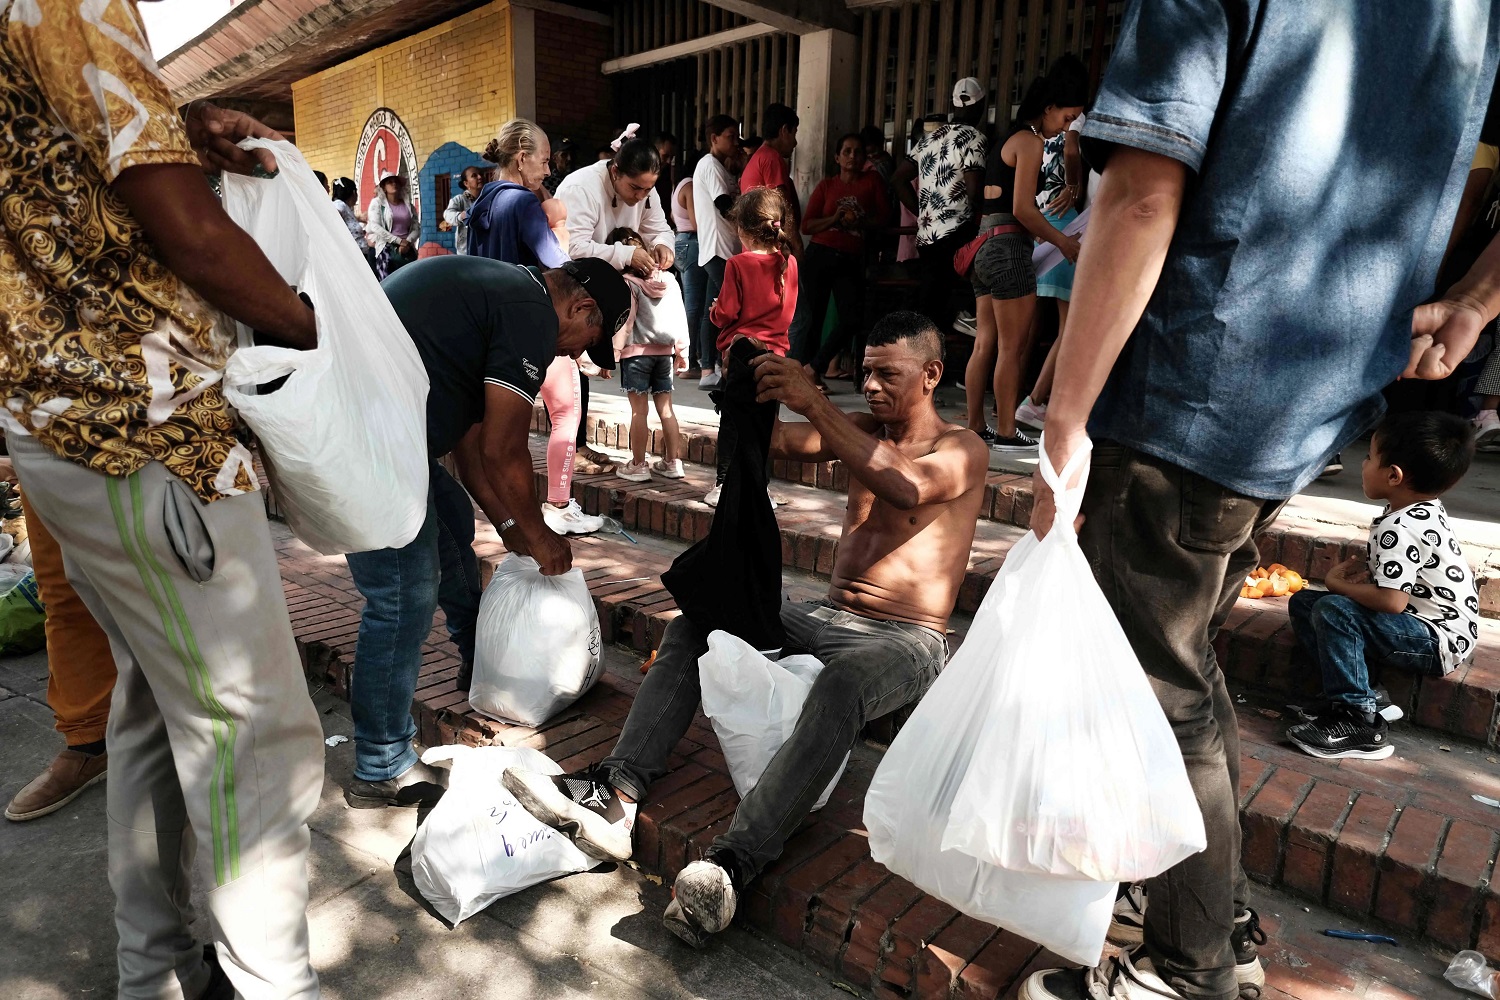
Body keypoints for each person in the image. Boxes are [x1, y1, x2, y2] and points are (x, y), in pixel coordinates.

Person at [1022, 0, 1500, 997]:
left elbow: (1144, 193)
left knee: (1161, 686)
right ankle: (1214, 910)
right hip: (1311, 400)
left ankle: (1189, 967)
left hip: (1188, 388)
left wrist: (1066, 411)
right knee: (1183, 666)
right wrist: (1477, 299)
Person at [0, 2, 333, 994]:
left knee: (153, 706)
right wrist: (320, 329)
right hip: (141, 430)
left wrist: (174, 131)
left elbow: (57, 175)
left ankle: (153, 971)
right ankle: (273, 981)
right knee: (257, 734)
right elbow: (191, 234)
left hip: (65, 425)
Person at [502, 311, 989, 947]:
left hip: (906, 639)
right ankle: (617, 792)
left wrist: (816, 400)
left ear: (932, 374)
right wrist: (750, 392)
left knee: (839, 689)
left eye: (886, 374)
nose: (869, 387)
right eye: (864, 373)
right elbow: (777, 443)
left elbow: (905, 486)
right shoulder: (864, 428)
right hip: (825, 612)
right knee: (703, 613)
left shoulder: (963, 448)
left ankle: (735, 862)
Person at [343, 255, 630, 806]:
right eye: (584, 340)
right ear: (581, 306)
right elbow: (503, 452)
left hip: (393, 442)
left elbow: (472, 451)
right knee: (405, 593)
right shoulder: (528, 314)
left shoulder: (502, 295)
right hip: (367, 445)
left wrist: (508, 526)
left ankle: (483, 660)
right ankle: (380, 764)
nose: (572, 355)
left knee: (450, 521)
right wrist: (540, 534)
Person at [1284, 413, 1478, 760]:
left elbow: (1392, 602)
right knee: (1304, 604)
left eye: (1370, 457)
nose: (1363, 463)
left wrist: (1336, 585)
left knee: (1332, 609)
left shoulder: (1400, 527)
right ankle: (1365, 694)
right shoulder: (1419, 508)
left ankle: (1359, 720)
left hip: (1436, 638)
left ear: (1393, 475)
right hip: (1433, 628)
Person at [470, 119, 605, 535]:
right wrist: (562, 228)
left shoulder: (483, 202)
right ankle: (557, 508)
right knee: (564, 412)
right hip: (532, 325)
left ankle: (511, 517)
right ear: (522, 157)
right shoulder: (524, 205)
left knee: (500, 435)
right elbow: (559, 269)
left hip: (488, 333)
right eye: (544, 162)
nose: (548, 172)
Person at [963, 63, 1086, 452]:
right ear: (1048, 108)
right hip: (1008, 248)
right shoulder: (1031, 141)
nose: (1064, 127)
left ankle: (975, 425)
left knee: (984, 343)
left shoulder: (1006, 140)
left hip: (983, 244)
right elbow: (1023, 209)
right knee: (1012, 349)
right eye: (1066, 118)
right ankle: (1004, 431)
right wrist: (1063, 242)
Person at [4, 495, 115, 823]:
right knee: (64, 589)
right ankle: (91, 743)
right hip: (51, 449)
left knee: (193, 575)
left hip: (172, 449)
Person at [703, 189, 801, 506]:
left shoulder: (738, 264)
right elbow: (788, 313)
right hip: (776, 356)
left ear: (742, 229)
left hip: (741, 353)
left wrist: (714, 311)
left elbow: (727, 312)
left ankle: (722, 484)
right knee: (765, 423)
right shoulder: (790, 264)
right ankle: (761, 487)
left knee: (733, 420)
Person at [893, 78, 987, 335]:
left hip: (927, 235)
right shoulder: (975, 138)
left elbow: (898, 178)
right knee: (945, 300)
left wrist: (922, 211)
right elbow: (974, 189)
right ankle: (961, 319)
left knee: (932, 299)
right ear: (981, 105)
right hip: (959, 233)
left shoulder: (929, 139)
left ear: (954, 106)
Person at [796, 134, 891, 384]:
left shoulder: (872, 182)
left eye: (857, 152)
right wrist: (835, 219)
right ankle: (809, 376)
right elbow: (807, 226)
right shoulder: (827, 186)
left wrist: (861, 221)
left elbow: (884, 218)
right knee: (813, 318)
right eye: (847, 151)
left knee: (852, 318)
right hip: (820, 254)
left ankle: (816, 366)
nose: (852, 156)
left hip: (851, 258)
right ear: (837, 157)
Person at [607, 227, 691, 481]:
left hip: (636, 355)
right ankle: (673, 462)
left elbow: (626, 322)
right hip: (664, 355)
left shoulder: (627, 284)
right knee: (666, 410)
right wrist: (682, 351)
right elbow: (680, 317)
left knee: (639, 412)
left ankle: (639, 464)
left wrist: (612, 354)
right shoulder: (671, 281)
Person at [693, 114, 746, 387]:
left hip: (722, 249)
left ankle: (708, 369)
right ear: (714, 139)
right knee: (728, 309)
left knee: (710, 310)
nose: (736, 141)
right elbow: (724, 204)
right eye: (730, 136)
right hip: (719, 249)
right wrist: (750, 224)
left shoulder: (720, 167)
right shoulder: (710, 165)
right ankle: (713, 367)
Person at [740, 103, 803, 255]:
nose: (795, 142)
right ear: (784, 130)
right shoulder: (771, 157)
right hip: (768, 250)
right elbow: (782, 206)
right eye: (794, 134)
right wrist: (796, 245)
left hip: (757, 247)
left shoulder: (760, 157)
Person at [671, 162, 707, 379]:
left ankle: (686, 358)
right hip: (692, 243)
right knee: (694, 307)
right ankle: (687, 360)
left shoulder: (678, 187)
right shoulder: (691, 186)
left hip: (681, 242)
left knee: (690, 304)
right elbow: (696, 222)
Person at [367, 171, 419, 277]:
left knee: (409, 281)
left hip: (407, 249)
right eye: (390, 182)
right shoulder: (377, 203)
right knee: (389, 284)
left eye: (396, 182)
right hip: (387, 249)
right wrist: (399, 241)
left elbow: (416, 226)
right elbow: (375, 227)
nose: (394, 184)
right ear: (384, 187)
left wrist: (407, 242)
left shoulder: (408, 205)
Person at [332, 175, 375, 271]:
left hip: (360, 253)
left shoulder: (347, 208)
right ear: (353, 192)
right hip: (353, 255)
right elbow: (333, 218)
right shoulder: (340, 204)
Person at [444, 165, 487, 255]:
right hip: (466, 252)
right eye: (474, 176)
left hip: (486, 250)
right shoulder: (460, 200)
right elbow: (447, 214)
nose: (479, 177)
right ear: (466, 183)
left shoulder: (488, 198)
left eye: (481, 174)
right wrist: (460, 216)